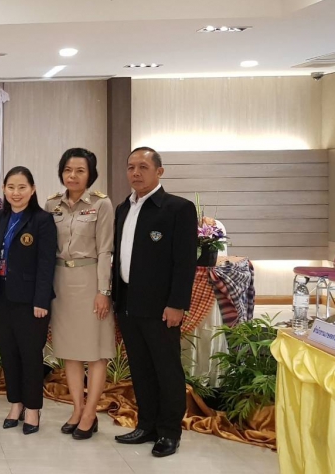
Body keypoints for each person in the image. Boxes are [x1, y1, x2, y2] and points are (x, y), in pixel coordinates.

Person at [112, 147, 197, 458]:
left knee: (166, 369)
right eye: (131, 167)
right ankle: (146, 424)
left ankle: (169, 432)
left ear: (159, 171)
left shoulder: (177, 209)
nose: (136, 173)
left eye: (143, 167)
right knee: (141, 368)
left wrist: (177, 304)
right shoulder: (124, 208)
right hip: (129, 304)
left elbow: (185, 262)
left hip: (161, 308)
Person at [45, 148, 115, 439]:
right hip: (61, 281)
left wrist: (103, 291)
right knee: (70, 351)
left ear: (90, 174)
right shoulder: (51, 205)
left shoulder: (102, 204)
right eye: (67, 170)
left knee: (96, 352)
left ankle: (90, 413)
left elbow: (105, 250)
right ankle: (77, 408)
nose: (72, 176)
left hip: (90, 280)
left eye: (80, 171)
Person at [0, 167, 57, 434]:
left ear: (33, 189)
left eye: (22, 187)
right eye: (11, 187)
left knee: (30, 355)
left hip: (30, 302)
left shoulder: (42, 220)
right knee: (9, 354)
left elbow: (47, 264)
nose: (16, 193)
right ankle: (15, 403)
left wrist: (41, 300)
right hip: (1, 297)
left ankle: (33, 409)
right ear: (4, 189)